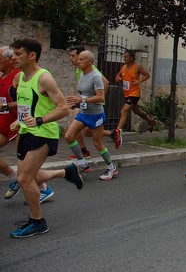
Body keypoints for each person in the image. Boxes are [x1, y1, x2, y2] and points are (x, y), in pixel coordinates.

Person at [9, 38, 83, 238]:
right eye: (13, 54)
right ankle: (66, 172)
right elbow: (28, 107)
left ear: (31, 56)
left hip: (43, 133)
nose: (13, 58)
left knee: (24, 178)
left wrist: (40, 120)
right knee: (30, 176)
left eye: (18, 54)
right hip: (26, 132)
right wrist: (20, 121)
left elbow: (63, 109)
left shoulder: (43, 78)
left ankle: (37, 222)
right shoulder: (21, 78)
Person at [65, 51, 119, 181]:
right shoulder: (82, 74)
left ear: (90, 62)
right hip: (83, 113)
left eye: (82, 59)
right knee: (69, 136)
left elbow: (100, 97)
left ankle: (111, 168)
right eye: (79, 59)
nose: (78, 61)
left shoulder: (96, 76)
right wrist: (76, 104)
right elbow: (84, 95)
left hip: (95, 114)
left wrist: (81, 100)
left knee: (97, 143)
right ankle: (83, 164)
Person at [68, 46, 121, 152]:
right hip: (84, 103)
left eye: (73, 56)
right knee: (87, 132)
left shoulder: (92, 70)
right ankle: (112, 133)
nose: (71, 58)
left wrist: (97, 100)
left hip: (92, 104)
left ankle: (84, 151)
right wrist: (78, 101)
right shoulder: (79, 71)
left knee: (74, 127)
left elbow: (105, 82)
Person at [114, 49, 157, 134]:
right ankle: (151, 121)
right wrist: (118, 79)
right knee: (136, 111)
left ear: (131, 58)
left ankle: (117, 132)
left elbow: (147, 75)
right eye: (124, 57)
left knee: (124, 110)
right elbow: (118, 76)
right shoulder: (123, 67)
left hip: (134, 93)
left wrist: (138, 81)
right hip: (127, 93)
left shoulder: (137, 67)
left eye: (126, 57)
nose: (124, 58)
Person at [0, 46, 21, 199]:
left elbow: (25, 102)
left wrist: (5, 106)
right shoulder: (1, 77)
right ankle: (14, 178)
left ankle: (44, 188)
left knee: (25, 163)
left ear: (9, 60)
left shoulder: (18, 76)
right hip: (4, 124)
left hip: (18, 125)